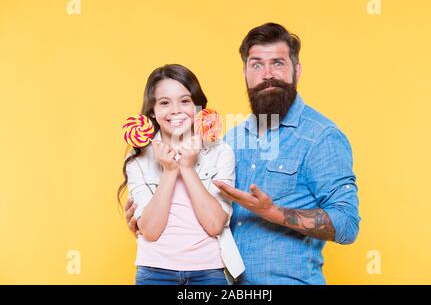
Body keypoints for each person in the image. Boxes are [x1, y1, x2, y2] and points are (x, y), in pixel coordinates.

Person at [125, 23, 360, 285]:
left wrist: (273, 212)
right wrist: (150, 223)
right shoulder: (230, 140)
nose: (268, 74)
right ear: (245, 72)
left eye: (278, 63)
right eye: (257, 64)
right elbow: (208, 213)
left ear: (297, 70)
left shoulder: (320, 137)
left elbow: (348, 225)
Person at [118, 64, 244, 285]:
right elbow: (150, 230)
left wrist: (186, 168)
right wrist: (169, 171)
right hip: (154, 272)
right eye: (164, 102)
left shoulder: (221, 152)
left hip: (209, 272)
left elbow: (215, 224)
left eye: (185, 101)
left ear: (198, 108)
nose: (175, 110)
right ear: (153, 112)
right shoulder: (137, 160)